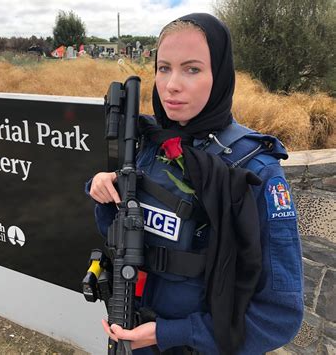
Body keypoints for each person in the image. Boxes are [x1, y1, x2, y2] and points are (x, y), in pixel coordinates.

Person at [86, 13, 303, 355]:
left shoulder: (253, 169)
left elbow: (278, 317)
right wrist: (105, 191)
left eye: (192, 69)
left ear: (220, 75)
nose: (172, 84)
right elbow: (128, 238)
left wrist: (170, 334)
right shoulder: (149, 145)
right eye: (163, 68)